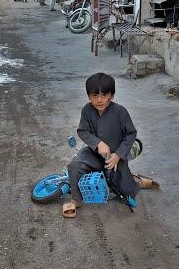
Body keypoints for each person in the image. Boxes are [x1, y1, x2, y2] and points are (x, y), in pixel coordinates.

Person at [63, 73, 156, 218]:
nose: (99, 100)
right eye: (95, 96)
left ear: (111, 95)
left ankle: (137, 181)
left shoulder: (120, 112)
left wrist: (118, 155)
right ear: (89, 97)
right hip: (94, 154)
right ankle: (76, 199)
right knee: (74, 166)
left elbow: (131, 134)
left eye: (104, 95)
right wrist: (98, 143)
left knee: (124, 189)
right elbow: (82, 131)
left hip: (115, 157)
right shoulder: (87, 111)